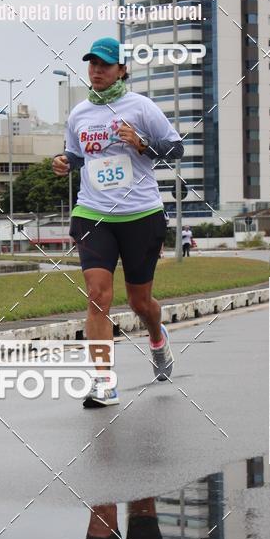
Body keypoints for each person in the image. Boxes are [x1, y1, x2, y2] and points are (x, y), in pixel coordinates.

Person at [52, 36, 184, 408]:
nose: (96, 70)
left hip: (141, 214)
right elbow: (76, 156)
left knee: (140, 301)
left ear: (122, 69)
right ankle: (103, 381)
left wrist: (141, 143)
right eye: (92, 64)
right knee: (97, 296)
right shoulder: (78, 114)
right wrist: (63, 163)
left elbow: (175, 149)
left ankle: (157, 339)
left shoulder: (141, 108)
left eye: (105, 65)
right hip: (93, 213)